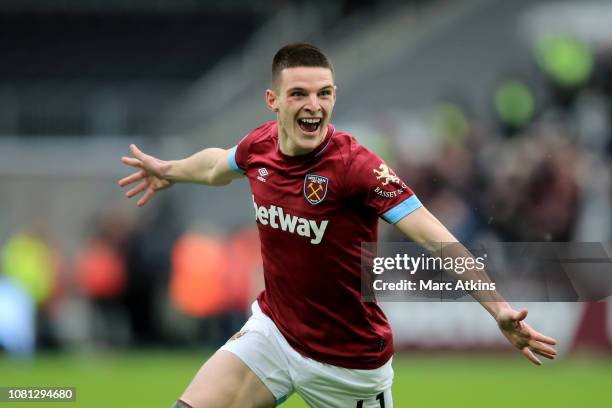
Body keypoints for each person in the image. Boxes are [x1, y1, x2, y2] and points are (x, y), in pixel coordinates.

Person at [119, 43, 557, 408]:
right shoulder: (260, 146)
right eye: (299, 94)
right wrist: (171, 170)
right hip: (274, 333)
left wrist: (498, 307)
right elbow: (218, 165)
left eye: (324, 94)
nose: (314, 106)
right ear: (273, 101)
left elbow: (434, 235)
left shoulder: (356, 167)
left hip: (347, 364)